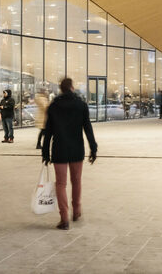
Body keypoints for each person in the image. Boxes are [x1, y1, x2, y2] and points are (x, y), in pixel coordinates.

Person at [41, 77, 98, 230]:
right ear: (72, 87)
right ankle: (77, 211)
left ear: (61, 89)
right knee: (76, 181)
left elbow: (48, 132)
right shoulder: (81, 105)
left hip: (59, 149)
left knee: (60, 184)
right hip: (76, 148)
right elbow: (88, 128)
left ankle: (64, 218)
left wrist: (45, 152)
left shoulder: (53, 106)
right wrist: (93, 147)